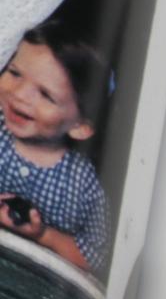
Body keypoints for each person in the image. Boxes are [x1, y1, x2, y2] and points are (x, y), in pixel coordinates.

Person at [0, 28, 113, 281]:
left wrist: (43, 236)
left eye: (46, 95)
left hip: (28, 283)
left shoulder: (81, 184)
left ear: (80, 126)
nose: (19, 94)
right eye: (15, 73)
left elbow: (98, 258)